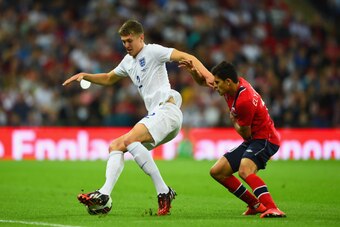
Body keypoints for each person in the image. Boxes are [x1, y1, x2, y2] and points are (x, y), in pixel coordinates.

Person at [62, 19, 213, 216]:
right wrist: (85, 75)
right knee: (116, 146)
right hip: (157, 117)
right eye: (123, 41)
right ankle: (105, 196)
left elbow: (186, 55)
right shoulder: (127, 62)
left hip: (167, 110)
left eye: (129, 40)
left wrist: (208, 75)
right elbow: (109, 78)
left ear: (141, 38)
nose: (126, 45)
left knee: (129, 139)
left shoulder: (153, 51)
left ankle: (162, 191)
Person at [179, 60, 286, 218]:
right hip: (254, 139)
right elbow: (204, 81)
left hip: (265, 139)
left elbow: (245, 133)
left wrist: (233, 120)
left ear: (228, 82)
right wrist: (194, 72)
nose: (214, 87)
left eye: (217, 84)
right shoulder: (231, 85)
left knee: (245, 170)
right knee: (218, 172)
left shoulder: (244, 101)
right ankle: (255, 204)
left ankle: (272, 208)